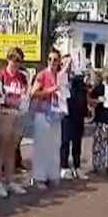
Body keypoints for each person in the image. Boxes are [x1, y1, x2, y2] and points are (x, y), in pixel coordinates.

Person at [0, 47, 29, 197]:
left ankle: (9, 180)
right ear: (8, 59)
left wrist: (22, 100)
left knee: (12, 149)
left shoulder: (22, 77)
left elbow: (25, 93)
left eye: (18, 60)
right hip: (3, 114)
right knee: (1, 148)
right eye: (13, 59)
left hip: (17, 115)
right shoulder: (1, 76)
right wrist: (12, 100)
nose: (15, 63)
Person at [30, 48, 64, 188]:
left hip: (57, 114)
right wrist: (50, 90)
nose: (52, 62)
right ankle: (39, 177)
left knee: (55, 145)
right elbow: (33, 93)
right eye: (50, 59)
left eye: (55, 60)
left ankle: (52, 174)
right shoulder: (42, 75)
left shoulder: (61, 76)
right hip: (43, 113)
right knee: (41, 146)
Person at [60, 71, 89, 180]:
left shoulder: (79, 79)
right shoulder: (61, 78)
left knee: (77, 142)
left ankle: (77, 167)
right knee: (65, 141)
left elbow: (84, 94)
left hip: (78, 114)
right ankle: (64, 167)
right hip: (67, 114)